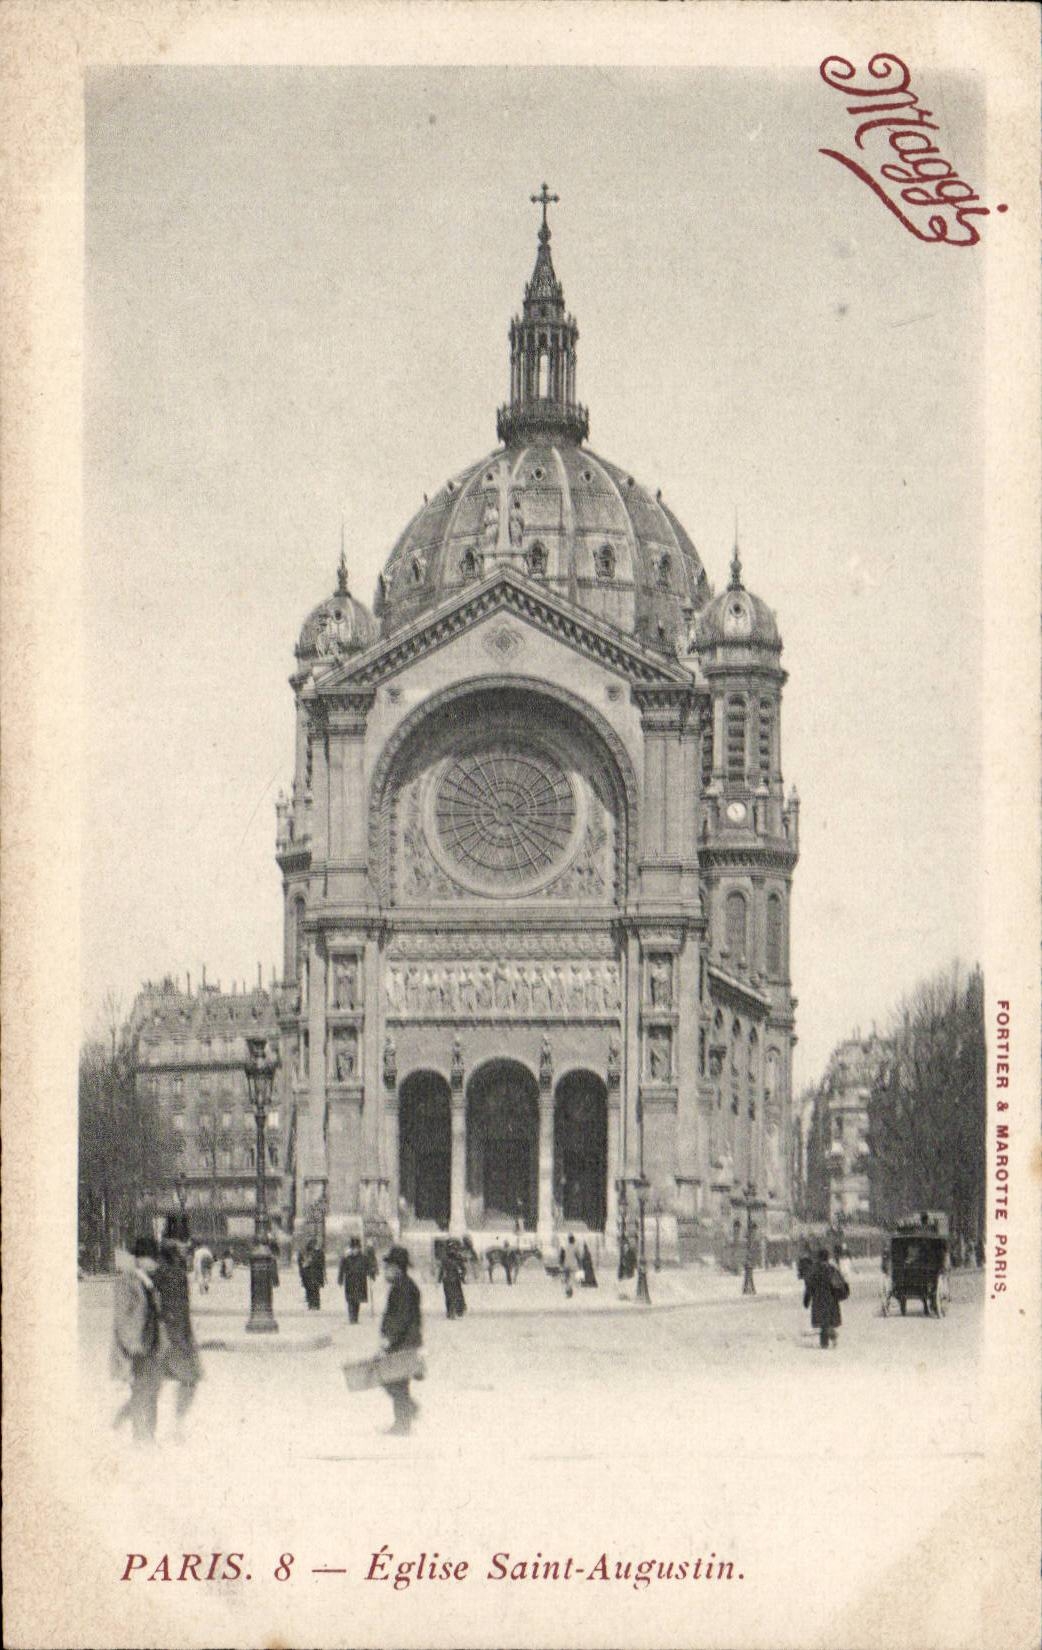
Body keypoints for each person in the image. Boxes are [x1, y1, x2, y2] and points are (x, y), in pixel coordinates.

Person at [111, 1236, 162, 1443]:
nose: (156, 1264)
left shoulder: (149, 1282)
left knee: (152, 1392)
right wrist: (131, 1345)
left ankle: (149, 1436)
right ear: (141, 1259)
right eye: (153, 1259)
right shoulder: (127, 1281)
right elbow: (122, 1318)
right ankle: (140, 1438)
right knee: (140, 1392)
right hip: (136, 1347)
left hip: (151, 1345)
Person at [155, 1228, 202, 1441]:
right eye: (183, 1242)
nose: (187, 1247)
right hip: (170, 1335)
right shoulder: (167, 1271)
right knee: (186, 1379)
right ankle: (175, 1427)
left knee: (186, 1380)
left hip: (179, 1335)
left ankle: (176, 1426)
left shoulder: (176, 1269)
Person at [380, 1246, 423, 1436]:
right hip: (404, 1341)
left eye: (388, 1266)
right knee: (394, 1382)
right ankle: (407, 1412)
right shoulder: (402, 1285)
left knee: (396, 1383)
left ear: (397, 1267)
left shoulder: (404, 1288)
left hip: (403, 1342)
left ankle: (403, 1424)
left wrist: (389, 1339)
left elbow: (401, 1318)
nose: (385, 1270)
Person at [803, 1247, 849, 1349]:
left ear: (818, 1257)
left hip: (818, 1300)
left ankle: (825, 1343)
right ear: (827, 1257)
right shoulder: (831, 1269)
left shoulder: (814, 1270)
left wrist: (806, 1299)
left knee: (823, 1323)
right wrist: (843, 1293)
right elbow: (840, 1283)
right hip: (831, 1299)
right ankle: (831, 1336)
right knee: (828, 1322)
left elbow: (809, 1286)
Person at [338, 1236, 370, 1324]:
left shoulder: (364, 1258)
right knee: (350, 1300)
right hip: (350, 1281)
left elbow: (368, 1267)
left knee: (357, 1300)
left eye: (357, 1248)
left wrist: (371, 1273)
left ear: (359, 1249)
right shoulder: (346, 1258)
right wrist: (340, 1279)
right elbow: (342, 1269)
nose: (355, 1250)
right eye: (354, 1248)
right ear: (351, 1249)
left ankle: (355, 1317)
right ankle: (352, 1318)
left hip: (360, 1282)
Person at [438, 1240, 467, 1319]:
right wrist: (439, 1279)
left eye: (453, 1249)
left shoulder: (457, 1258)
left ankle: (456, 1311)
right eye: (450, 1249)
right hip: (449, 1280)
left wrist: (462, 1277)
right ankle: (452, 1312)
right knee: (450, 1296)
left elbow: (463, 1269)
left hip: (453, 1280)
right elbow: (442, 1269)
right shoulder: (446, 1259)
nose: (452, 1251)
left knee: (454, 1296)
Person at [299, 1240, 325, 1311]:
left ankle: (315, 1304)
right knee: (309, 1289)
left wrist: (311, 1262)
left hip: (315, 1274)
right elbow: (300, 1264)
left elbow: (322, 1264)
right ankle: (311, 1304)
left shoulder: (319, 1252)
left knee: (315, 1289)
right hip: (308, 1274)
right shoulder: (303, 1252)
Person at [560, 1233, 581, 1299]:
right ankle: (572, 1288)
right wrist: (580, 1264)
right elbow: (578, 1256)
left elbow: (561, 1256)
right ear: (573, 1239)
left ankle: (568, 1290)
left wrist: (561, 1264)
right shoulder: (575, 1247)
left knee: (567, 1279)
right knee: (574, 1277)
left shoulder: (565, 1246)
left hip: (566, 1264)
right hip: (573, 1265)